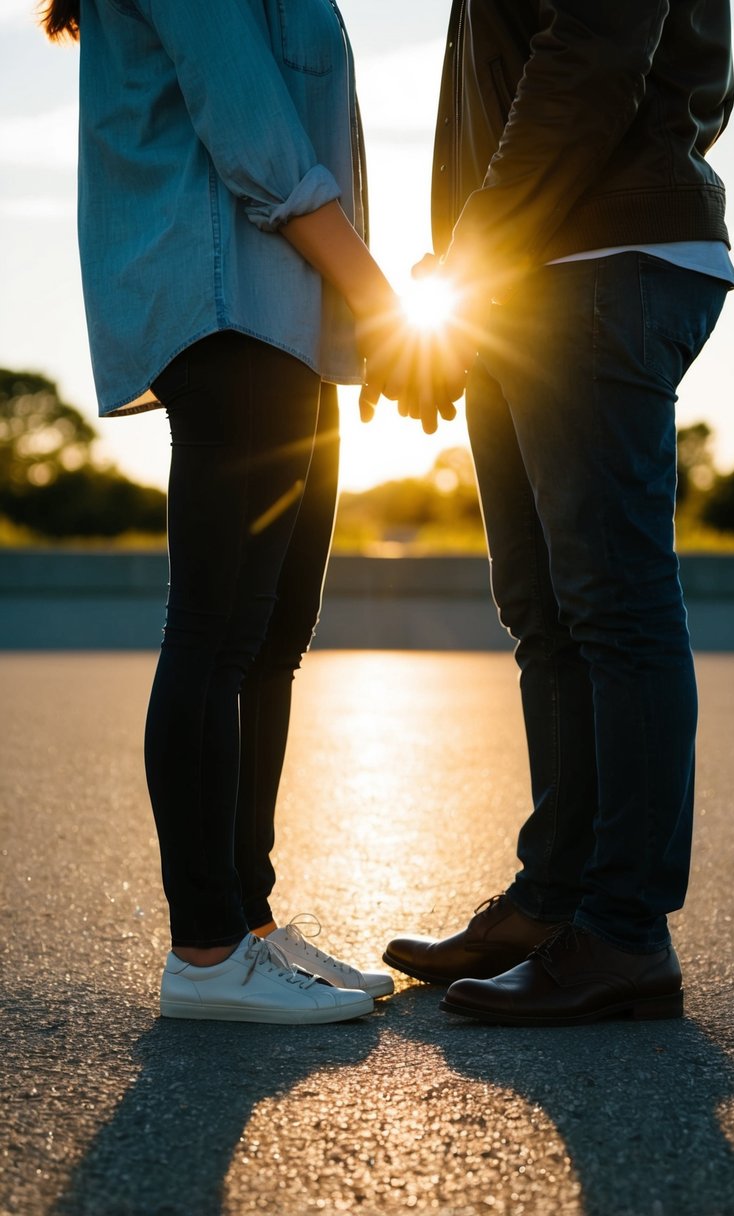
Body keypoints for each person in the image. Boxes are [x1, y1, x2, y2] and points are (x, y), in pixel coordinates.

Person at [43, 0, 449, 1024]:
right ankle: (206, 948)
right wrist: (382, 305)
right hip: (228, 307)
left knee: (273, 636)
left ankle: (252, 922)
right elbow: (257, 131)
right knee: (217, 635)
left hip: (292, 314)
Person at [384, 0, 734, 1025]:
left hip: (595, 260)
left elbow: (590, 53)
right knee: (543, 609)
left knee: (612, 607)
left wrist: (465, 260)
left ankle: (623, 930)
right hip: (523, 271)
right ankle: (555, 901)